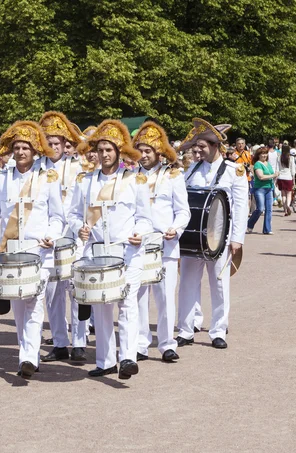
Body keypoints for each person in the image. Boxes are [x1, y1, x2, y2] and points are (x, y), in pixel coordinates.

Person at [0, 121, 64, 379]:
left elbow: (58, 217)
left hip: (39, 250)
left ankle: (28, 356)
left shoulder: (47, 178)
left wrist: (51, 235)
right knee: (18, 306)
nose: (21, 151)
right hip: (11, 250)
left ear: (35, 150)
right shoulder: (1, 178)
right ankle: (28, 354)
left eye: (25, 147)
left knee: (35, 302)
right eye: (17, 147)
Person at [69, 119, 152, 379]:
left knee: (127, 304)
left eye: (109, 150)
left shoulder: (135, 181)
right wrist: (78, 228)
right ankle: (105, 361)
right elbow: (72, 215)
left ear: (119, 152)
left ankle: (127, 358)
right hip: (96, 252)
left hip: (128, 252)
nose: (104, 154)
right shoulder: (85, 181)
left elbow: (146, 218)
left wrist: (139, 233)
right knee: (101, 307)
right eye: (101, 149)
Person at [177, 118, 249, 349]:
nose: (198, 149)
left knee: (219, 285)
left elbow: (240, 207)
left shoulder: (233, 171)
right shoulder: (190, 170)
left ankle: (218, 330)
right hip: (192, 238)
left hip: (220, 236)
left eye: (203, 145)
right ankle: (186, 330)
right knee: (188, 283)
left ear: (215, 146)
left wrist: (237, 239)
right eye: (197, 145)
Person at [132, 122, 190, 362]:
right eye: (140, 151)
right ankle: (140, 343)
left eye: (148, 151)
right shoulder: (131, 177)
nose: (143, 156)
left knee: (165, 297)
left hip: (166, 245)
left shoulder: (173, 176)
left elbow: (184, 211)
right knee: (138, 297)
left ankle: (167, 344)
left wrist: (175, 229)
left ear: (159, 152)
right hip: (139, 245)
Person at [37, 111, 87, 363]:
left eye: (57, 143)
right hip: (47, 238)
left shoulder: (79, 168)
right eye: (49, 143)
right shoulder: (38, 169)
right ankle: (59, 342)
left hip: (74, 237)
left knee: (74, 288)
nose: (53, 148)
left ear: (65, 144)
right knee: (52, 291)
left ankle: (79, 341)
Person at [247, 147, 278, 234]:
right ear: (258, 155)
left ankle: (267, 229)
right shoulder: (257, 164)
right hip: (260, 189)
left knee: (269, 209)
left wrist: (275, 176)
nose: (264, 155)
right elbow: (261, 176)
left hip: (269, 188)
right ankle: (249, 224)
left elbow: (272, 175)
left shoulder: (268, 163)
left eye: (265, 153)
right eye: (262, 154)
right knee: (260, 209)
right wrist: (273, 175)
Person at [277, 144, 296, 216]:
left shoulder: (278, 157)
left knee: (283, 194)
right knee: (289, 194)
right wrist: (293, 179)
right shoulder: (291, 158)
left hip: (280, 177)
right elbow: (293, 170)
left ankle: (285, 210)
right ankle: (288, 205)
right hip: (288, 177)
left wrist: (276, 178)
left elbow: (277, 168)